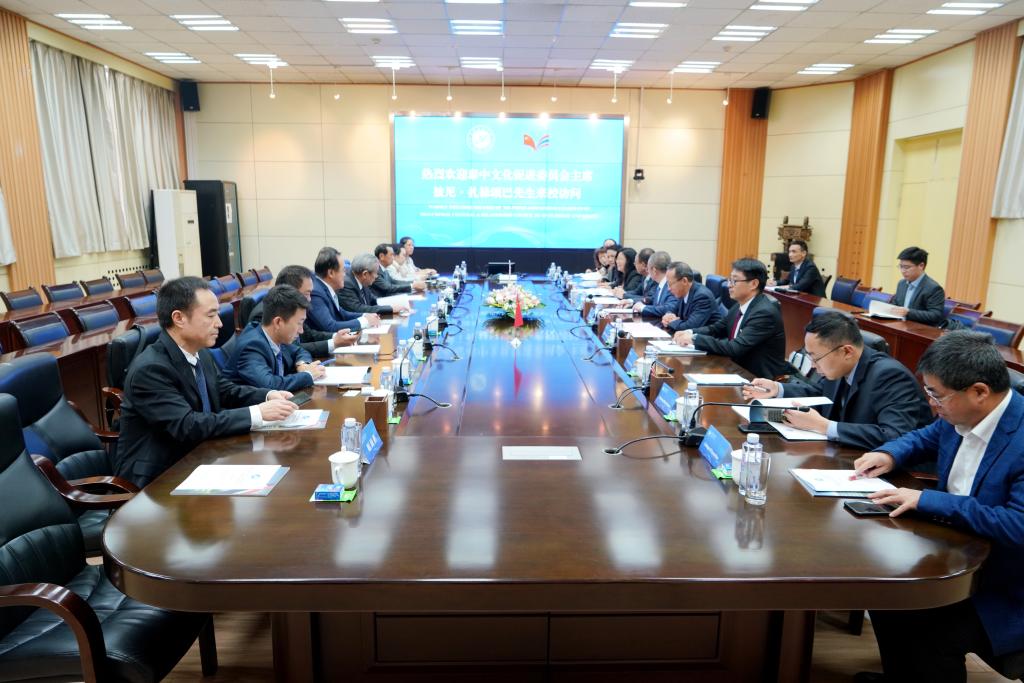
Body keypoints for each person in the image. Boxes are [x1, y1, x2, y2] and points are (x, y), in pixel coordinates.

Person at [853, 331, 1024, 682]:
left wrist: (928, 499)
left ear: (979, 392)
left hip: (1005, 584)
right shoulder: (959, 416)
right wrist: (888, 454)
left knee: (932, 632)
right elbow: (923, 437)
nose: (931, 403)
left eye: (936, 394)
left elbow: (1017, 525)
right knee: (885, 592)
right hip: (956, 552)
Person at [114, 276, 296, 487]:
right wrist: (257, 413)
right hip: (159, 477)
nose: (219, 323)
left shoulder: (200, 352)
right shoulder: (151, 369)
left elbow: (223, 390)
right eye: (211, 315)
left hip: (201, 458)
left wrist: (266, 395)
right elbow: (187, 425)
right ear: (179, 318)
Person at [742, 311, 932, 450]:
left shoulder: (890, 376)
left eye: (816, 358)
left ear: (847, 351)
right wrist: (777, 389)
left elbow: (894, 436)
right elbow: (820, 394)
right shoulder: (842, 366)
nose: (813, 365)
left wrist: (822, 426)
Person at [674, 259, 792, 379]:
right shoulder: (739, 305)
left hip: (757, 378)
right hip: (736, 368)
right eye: (729, 280)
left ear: (753, 284)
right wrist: (689, 332)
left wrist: (695, 339)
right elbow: (716, 329)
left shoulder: (764, 313)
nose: (729, 285)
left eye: (734, 281)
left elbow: (735, 348)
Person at [225, 284, 326, 392]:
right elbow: (270, 385)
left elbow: (299, 351)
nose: (301, 330)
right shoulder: (252, 346)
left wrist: (302, 364)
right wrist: (308, 375)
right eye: (299, 323)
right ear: (278, 322)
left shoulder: (276, 335)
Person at [248, 265, 359, 357]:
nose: (310, 299)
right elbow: (288, 350)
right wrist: (333, 343)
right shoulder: (264, 314)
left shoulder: (292, 308)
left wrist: (337, 337)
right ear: (291, 291)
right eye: (307, 294)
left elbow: (309, 335)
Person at [307, 247, 380, 334]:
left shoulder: (323, 287)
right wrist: (366, 321)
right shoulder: (316, 293)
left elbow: (341, 313)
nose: (345, 275)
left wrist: (365, 315)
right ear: (331, 273)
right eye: (343, 271)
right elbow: (330, 326)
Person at [890, 246, 945, 326]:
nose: (902, 271)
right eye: (901, 266)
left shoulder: (933, 288)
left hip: (917, 329)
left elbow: (935, 315)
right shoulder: (901, 284)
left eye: (906, 267)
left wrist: (908, 312)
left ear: (921, 266)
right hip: (898, 325)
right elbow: (895, 304)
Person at [661, 261, 722, 333]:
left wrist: (671, 322)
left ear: (684, 281)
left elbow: (689, 327)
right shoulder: (682, 292)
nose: (668, 288)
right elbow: (673, 310)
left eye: (670, 284)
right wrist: (667, 316)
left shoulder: (702, 297)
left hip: (706, 337)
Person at [339, 253, 406, 315]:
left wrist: (393, 303)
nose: (376, 276)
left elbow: (373, 299)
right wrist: (390, 309)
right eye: (376, 273)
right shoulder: (346, 284)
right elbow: (358, 309)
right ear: (365, 274)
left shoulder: (362, 279)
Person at [632, 251, 678, 319]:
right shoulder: (661, 284)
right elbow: (652, 299)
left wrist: (643, 308)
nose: (647, 271)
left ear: (654, 270)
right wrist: (633, 302)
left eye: (648, 269)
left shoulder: (671, 285)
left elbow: (669, 308)